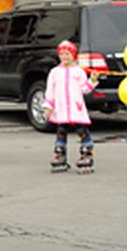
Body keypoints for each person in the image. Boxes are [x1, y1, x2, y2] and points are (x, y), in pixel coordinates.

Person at [44, 40, 97, 173]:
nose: (64, 57)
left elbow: (85, 89)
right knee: (61, 130)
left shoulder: (79, 71)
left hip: (75, 108)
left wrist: (93, 80)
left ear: (73, 55)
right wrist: (48, 106)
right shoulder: (54, 72)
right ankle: (60, 155)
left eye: (67, 54)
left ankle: (86, 154)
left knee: (81, 130)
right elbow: (50, 90)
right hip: (60, 108)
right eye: (61, 54)